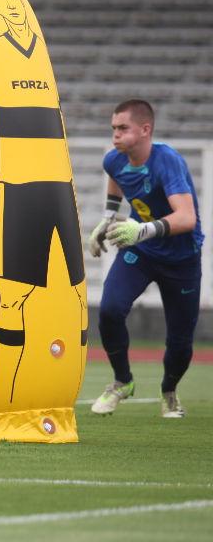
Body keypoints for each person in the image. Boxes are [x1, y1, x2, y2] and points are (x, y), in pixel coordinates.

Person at [0, 0, 86, 403]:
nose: (8, 3)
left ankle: (63, 396)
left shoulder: (42, 54)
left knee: (76, 297)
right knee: (9, 298)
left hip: (59, 190)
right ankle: (3, 400)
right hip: (17, 190)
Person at [87, 99, 203, 418]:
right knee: (109, 309)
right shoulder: (114, 159)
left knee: (179, 340)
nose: (115, 135)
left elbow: (187, 218)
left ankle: (169, 392)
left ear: (145, 130)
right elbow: (116, 178)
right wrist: (109, 218)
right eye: (113, 128)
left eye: (122, 128)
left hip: (181, 258)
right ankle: (122, 382)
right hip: (142, 250)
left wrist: (144, 230)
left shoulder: (167, 161)